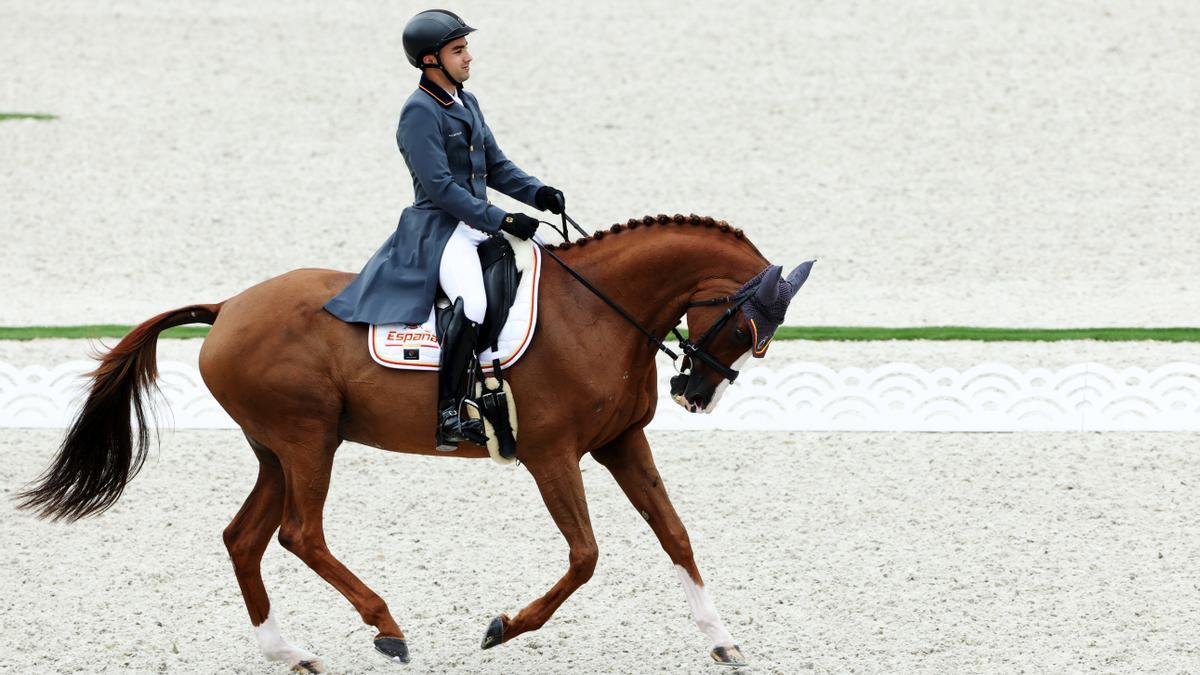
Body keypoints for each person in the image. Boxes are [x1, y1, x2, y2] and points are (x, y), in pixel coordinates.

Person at [324, 9, 566, 450]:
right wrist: (503, 219)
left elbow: (495, 165)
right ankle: (449, 412)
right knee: (471, 302)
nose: (469, 57)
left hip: (475, 222)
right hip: (441, 229)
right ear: (430, 60)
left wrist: (537, 193)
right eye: (459, 51)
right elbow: (439, 187)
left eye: (466, 48)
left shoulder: (466, 102)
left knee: (556, 255)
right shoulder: (418, 112)